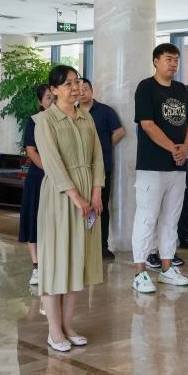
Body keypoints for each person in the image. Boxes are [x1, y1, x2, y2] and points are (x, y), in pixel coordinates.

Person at [34, 65, 105, 352]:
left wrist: (96, 192)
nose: (75, 88)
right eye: (68, 84)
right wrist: (77, 198)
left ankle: (67, 324)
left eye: (77, 82)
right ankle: (54, 330)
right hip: (61, 195)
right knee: (57, 261)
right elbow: (52, 163)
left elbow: (98, 156)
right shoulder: (45, 120)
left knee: (79, 261)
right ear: (53, 90)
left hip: (88, 192)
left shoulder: (86, 117)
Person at [131, 43, 188, 294]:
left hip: (177, 167)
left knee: (171, 218)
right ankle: (140, 272)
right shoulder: (146, 87)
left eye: (176, 60)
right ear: (156, 61)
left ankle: (167, 268)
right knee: (146, 218)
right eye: (169, 59)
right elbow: (147, 124)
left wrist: (184, 149)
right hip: (151, 165)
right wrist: (173, 148)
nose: (174, 64)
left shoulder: (181, 90)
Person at [79, 77, 125, 260]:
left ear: (92, 91)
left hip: (102, 167)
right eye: (78, 89)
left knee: (101, 206)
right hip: (80, 169)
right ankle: (82, 245)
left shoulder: (105, 111)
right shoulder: (73, 112)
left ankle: (102, 246)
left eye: (85, 89)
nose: (82, 92)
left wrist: (102, 148)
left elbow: (120, 131)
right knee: (82, 206)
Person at [20, 84, 53, 285]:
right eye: (48, 97)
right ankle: (37, 266)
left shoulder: (67, 119)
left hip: (61, 176)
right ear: (40, 102)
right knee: (34, 219)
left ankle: (53, 264)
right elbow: (31, 150)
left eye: (54, 97)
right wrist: (50, 170)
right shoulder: (35, 121)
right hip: (39, 175)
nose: (52, 101)